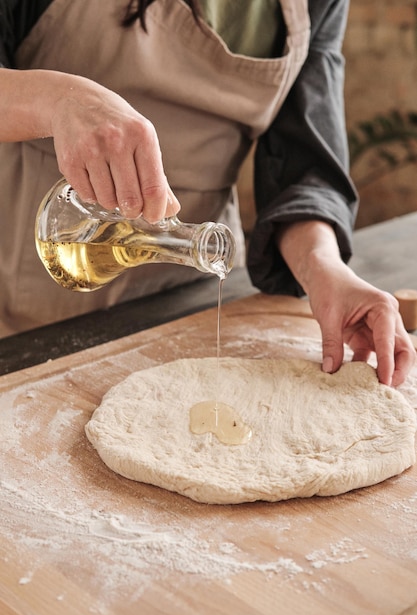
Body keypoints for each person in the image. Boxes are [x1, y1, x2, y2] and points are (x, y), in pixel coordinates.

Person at [0, 0, 414, 386]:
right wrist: (57, 100)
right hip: (37, 301)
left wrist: (326, 270)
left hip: (196, 294)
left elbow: (301, 163)